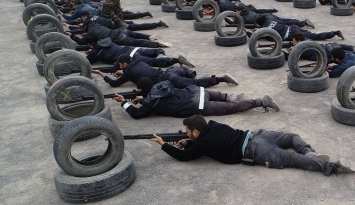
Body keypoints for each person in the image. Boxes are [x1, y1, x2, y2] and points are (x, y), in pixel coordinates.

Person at [148, 115, 355, 176]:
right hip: (256, 134)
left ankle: (331, 167)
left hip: (255, 151)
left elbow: (185, 156)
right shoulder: (213, 125)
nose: (185, 134)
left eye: (187, 131)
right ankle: (311, 152)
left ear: (195, 131)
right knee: (293, 137)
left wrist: (163, 144)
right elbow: (199, 142)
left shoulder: (201, 144)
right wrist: (186, 141)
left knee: (295, 160)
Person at [113, 77, 281, 119]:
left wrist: (124, 103)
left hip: (197, 105)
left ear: (142, 90)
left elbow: (137, 115)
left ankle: (260, 102)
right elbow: (163, 98)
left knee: (231, 109)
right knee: (226, 99)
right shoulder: (160, 85)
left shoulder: (150, 102)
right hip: (198, 91)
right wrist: (142, 99)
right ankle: (229, 96)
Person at [94, 53, 237, 88]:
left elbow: (114, 84)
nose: (119, 67)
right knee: (184, 72)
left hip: (169, 79)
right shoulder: (138, 61)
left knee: (196, 85)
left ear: (125, 64)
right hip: (170, 71)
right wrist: (123, 73)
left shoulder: (128, 72)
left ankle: (221, 79)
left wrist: (102, 74)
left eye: (120, 65)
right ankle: (194, 75)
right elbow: (137, 73)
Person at [287, 33, 355, 61]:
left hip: (331, 52)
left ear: (299, 41)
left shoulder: (303, 49)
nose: (293, 43)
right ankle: (352, 47)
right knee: (354, 51)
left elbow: (295, 56)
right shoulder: (308, 41)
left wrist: (293, 50)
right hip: (330, 45)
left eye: (294, 42)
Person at [83, 37, 180, 65]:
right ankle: (160, 54)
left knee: (154, 62)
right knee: (157, 51)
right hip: (133, 49)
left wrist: (91, 52)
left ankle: (176, 60)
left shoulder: (95, 53)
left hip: (132, 57)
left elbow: (86, 62)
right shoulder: (107, 41)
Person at [255, 16, 343, 41]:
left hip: (293, 34)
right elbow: (283, 22)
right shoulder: (271, 21)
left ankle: (335, 33)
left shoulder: (265, 31)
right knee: (310, 34)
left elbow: (271, 38)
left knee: (314, 37)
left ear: (259, 25)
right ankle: (305, 25)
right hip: (292, 27)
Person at [234, 5, 313, 28]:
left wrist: (234, 19)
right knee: (283, 20)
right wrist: (271, 10)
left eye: (236, 12)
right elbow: (259, 10)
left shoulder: (242, 18)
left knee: (283, 23)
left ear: (239, 11)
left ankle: (303, 23)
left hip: (266, 20)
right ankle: (301, 21)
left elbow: (236, 24)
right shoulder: (249, 11)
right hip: (267, 15)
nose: (236, 13)